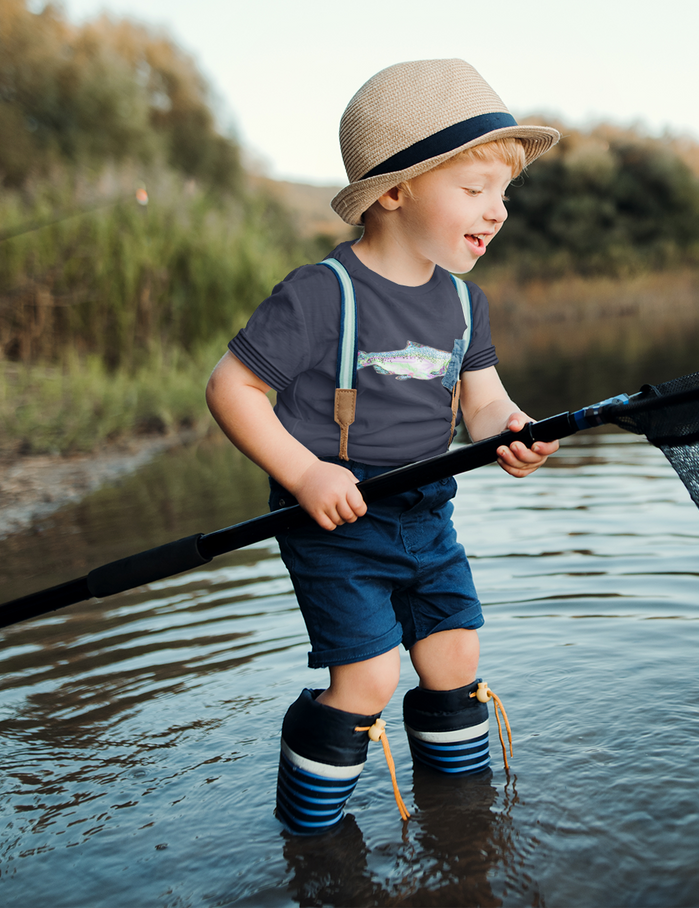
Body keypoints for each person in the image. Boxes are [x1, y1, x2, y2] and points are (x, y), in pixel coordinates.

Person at [205, 59, 561, 834]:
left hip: (426, 511)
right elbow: (230, 389)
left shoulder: (467, 304)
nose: (496, 212)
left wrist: (509, 429)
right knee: (364, 679)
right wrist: (303, 471)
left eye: (502, 194)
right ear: (394, 192)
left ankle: (461, 824)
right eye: (474, 191)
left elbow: (484, 400)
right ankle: (310, 837)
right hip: (335, 519)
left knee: (454, 660)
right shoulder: (319, 293)